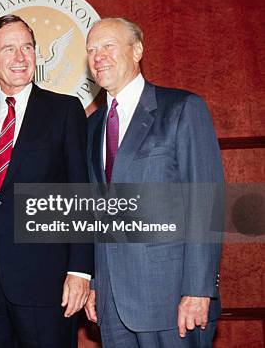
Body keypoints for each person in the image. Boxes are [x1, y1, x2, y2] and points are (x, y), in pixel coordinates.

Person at [83, 18, 224, 347]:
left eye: (108, 46)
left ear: (137, 51)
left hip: (172, 298)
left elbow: (206, 204)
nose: (98, 56)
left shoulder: (182, 109)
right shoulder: (91, 127)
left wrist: (198, 289)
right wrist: (94, 282)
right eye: (91, 50)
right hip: (112, 305)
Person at [0, 14, 93, 347]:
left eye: (27, 47)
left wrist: (80, 270)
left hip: (47, 280)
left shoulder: (64, 110)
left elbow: (81, 191)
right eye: (8, 49)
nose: (20, 58)